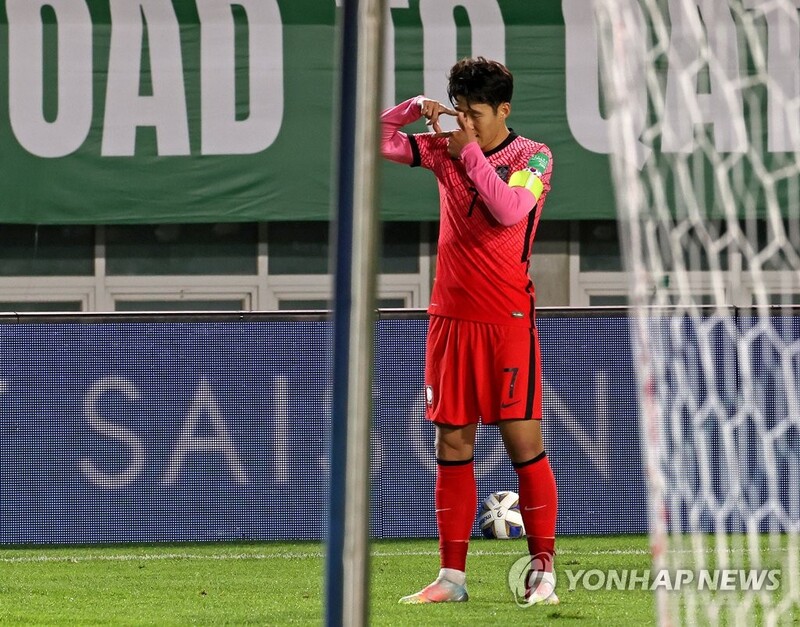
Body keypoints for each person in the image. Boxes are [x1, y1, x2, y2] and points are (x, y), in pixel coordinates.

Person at [380, 57, 558, 606]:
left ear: (504, 109)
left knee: (523, 445)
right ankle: (451, 579)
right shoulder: (448, 146)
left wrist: (471, 154)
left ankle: (542, 575)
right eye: (459, 112)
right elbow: (376, 140)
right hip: (450, 320)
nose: (466, 123)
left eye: (476, 113)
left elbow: (508, 211)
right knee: (452, 443)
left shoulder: (534, 157)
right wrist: (412, 108)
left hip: (505, 321)